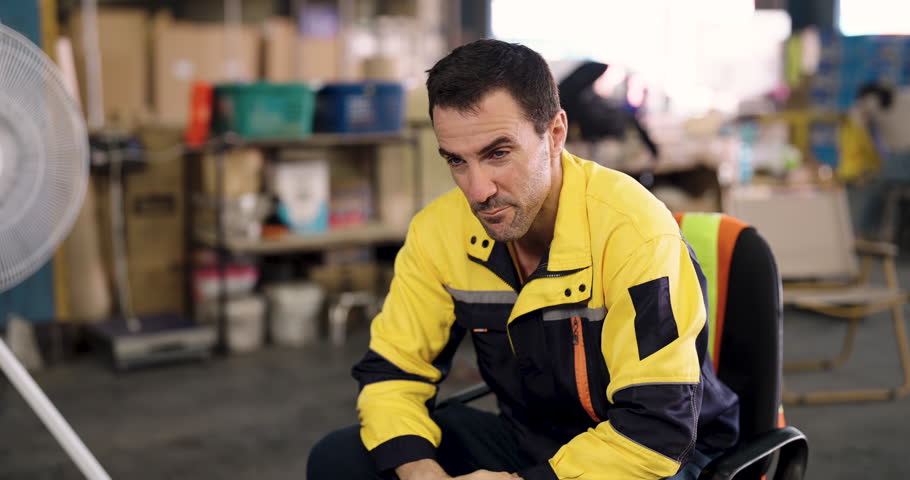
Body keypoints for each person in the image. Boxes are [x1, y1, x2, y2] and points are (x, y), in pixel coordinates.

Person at [307, 39, 739, 480]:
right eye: (457, 160)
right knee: (340, 458)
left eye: (498, 154)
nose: (477, 191)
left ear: (554, 134)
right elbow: (392, 374)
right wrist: (420, 472)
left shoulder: (634, 233)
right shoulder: (438, 233)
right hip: (533, 445)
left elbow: (656, 431)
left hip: (662, 459)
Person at [849, 83, 910, 241]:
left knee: (877, 190)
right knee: (881, 189)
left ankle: (863, 232)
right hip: (898, 160)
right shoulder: (903, 96)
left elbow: (855, 119)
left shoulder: (871, 103)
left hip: (901, 158)